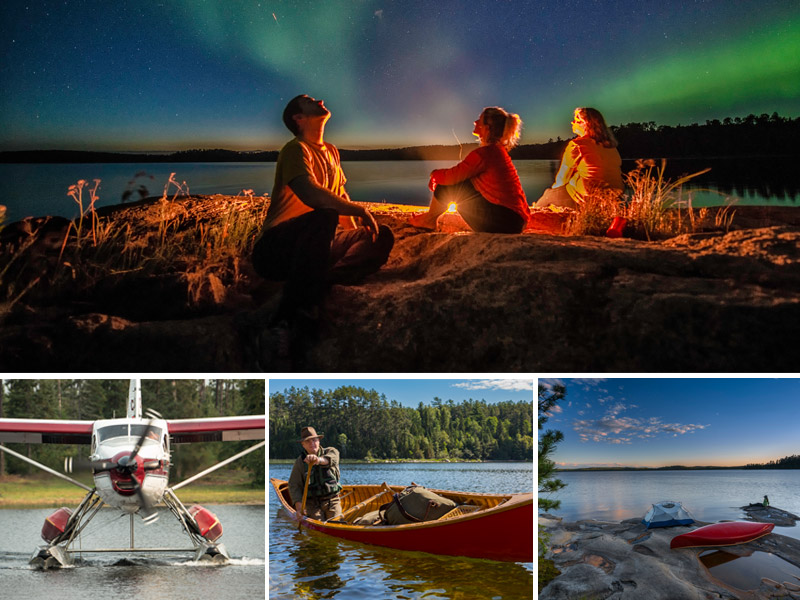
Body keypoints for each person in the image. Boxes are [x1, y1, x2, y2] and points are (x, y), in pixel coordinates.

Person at [251, 95, 395, 364]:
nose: (319, 99)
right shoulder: (295, 149)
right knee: (324, 214)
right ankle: (281, 322)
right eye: (308, 100)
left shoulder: (331, 151)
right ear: (299, 118)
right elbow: (311, 194)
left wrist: (355, 236)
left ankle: (318, 284)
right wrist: (359, 210)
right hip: (275, 250)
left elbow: (339, 195)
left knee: (380, 235)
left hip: (316, 246)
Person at [409, 106, 530, 233]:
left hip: (504, 222)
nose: (475, 122)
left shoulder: (485, 153)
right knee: (462, 183)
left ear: (487, 128)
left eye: (480, 120)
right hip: (515, 221)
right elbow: (460, 173)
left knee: (447, 187)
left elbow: (451, 177)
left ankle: (428, 221)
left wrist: (434, 175)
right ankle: (429, 218)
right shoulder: (497, 152)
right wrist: (439, 176)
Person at [536, 107, 624, 210]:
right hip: (615, 197)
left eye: (577, 120)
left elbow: (562, 178)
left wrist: (553, 194)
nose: (572, 122)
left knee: (549, 194)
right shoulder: (611, 147)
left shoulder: (577, 145)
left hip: (587, 198)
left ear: (586, 124)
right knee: (577, 176)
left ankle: (533, 215)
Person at [288, 426, 342, 521]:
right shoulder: (300, 462)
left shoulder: (331, 451)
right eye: (308, 441)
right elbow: (294, 485)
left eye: (314, 440)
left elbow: (331, 460)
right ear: (303, 444)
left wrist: (318, 460)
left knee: (336, 521)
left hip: (332, 500)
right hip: (312, 503)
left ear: (319, 441)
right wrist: (299, 508)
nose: (312, 443)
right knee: (318, 521)